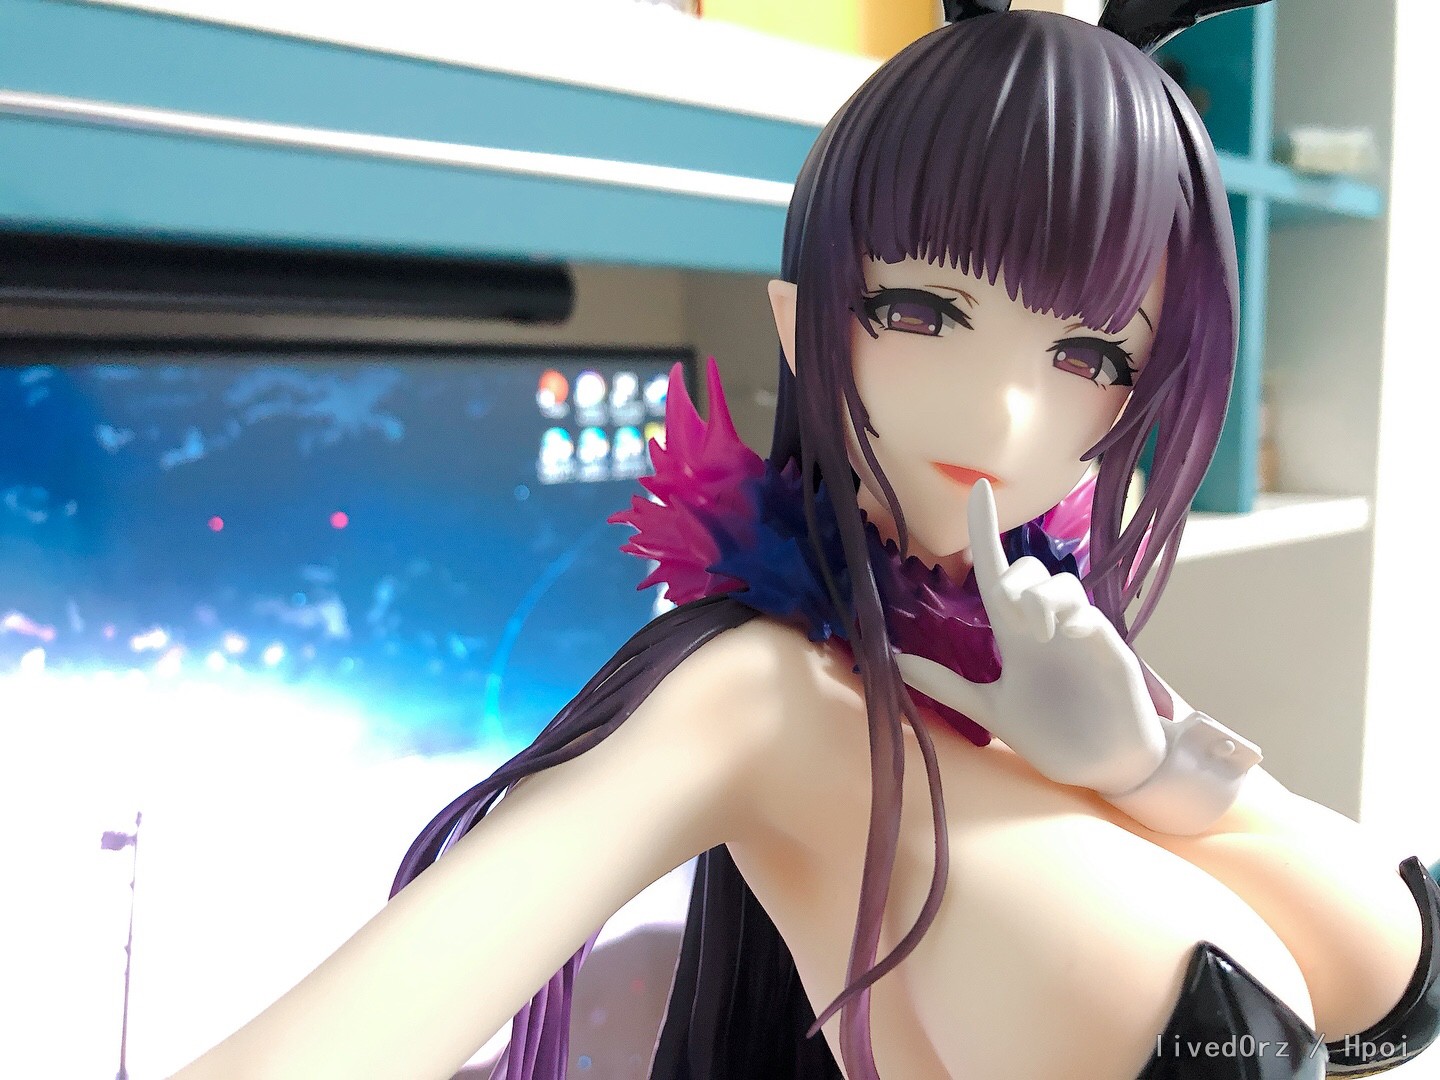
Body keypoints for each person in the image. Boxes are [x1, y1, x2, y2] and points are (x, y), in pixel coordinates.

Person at [170, 4, 1440, 1079]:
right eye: (923, 311)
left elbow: (1390, 994)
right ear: (803, 321)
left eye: (1091, 354)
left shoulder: (1044, 651)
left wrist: (1150, 767)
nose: (1006, 414)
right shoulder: (754, 694)